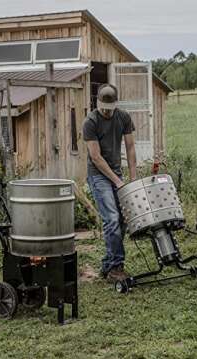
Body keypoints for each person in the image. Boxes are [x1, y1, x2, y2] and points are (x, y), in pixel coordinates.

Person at [83, 84, 137, 283]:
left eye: (110, 108)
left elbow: (130, 148)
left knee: (122, 220)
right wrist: (117, 181)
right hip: (98, 176)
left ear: (116, 105)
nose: (106, 111)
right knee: (112, 219)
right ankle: (116, 268)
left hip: (116, 172)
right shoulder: (90, 122)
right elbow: (96, 157)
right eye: (103, 107)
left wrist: (132, 180)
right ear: (98, 103)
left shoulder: (123, 117)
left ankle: (108, 263)